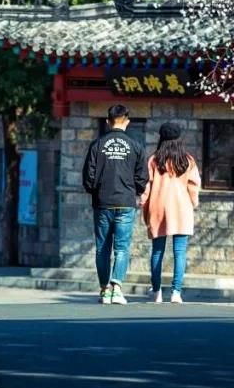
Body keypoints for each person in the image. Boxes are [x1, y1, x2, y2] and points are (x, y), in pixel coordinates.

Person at [83, 104, 148, 305]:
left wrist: (96, 191)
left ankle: (104, 290)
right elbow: (142, 178)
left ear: (107, 121)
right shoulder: (136, 146)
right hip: (126, 202)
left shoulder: (97, 145)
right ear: (127, 121)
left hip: (103, 202)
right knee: (122, 248)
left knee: (102, 248)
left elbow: (88, 176)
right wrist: (134, 191)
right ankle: (117, 288)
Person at [141, 122, 200, 304]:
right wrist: (193, 203)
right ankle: (176, 292)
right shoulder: (187, 160)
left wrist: (143, 204)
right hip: (181, 208)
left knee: (157, 251)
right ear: (179, 138)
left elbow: (146, 187)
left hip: (158, 207)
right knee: (180, 252)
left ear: (161, 137)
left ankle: (157, 291)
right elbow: (194, 185)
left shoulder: (153, 160)